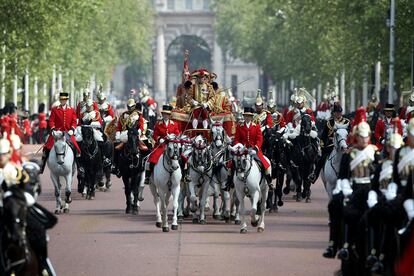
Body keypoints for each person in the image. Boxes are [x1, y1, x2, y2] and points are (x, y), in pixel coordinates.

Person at [323, 113, 380, 275]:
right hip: (353, 191)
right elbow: (343, 177)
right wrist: (346, 192)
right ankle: (336, 244)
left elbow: (378, 176)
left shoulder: (374, 154)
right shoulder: (349, 156)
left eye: (366, 136)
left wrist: (374, 193)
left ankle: (377, 253)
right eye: (361, 136)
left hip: (370, 191)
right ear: (356, 137)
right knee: (336, 205)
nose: (363, 139)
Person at [230, 106, 273, 189]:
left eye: (249, 116)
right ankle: (230, 182)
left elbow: (260, 139)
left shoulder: (256, 126)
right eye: (245, 116)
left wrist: (256, 148)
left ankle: (268, 182)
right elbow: (236, 139)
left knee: (265, 163)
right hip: (243, 151)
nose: (247, 118)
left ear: (251, 117)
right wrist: (240, 146)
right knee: (231, 164)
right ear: (244, 116)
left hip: (254, 150)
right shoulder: (240, 126)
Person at [40, 92, 81, 174]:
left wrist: (72, 129)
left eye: (64, 100)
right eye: (62, 99)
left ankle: (80, 168)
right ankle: (42, 166)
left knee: (76, 149)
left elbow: (74, 121)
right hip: (57, 132)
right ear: (60, 100)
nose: (63, 101)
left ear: (66, 100)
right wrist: (53, 129)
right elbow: (51, 120)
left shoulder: (71, 110)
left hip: (68, 132)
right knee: (46, 148)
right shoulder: (55, 109)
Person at [313, 103, 350, 183]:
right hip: (331, 145)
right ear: (333, 113)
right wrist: (322, 146)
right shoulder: (329, 122)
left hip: (344, 144)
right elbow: (323, 136)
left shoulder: (346, 122)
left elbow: (350, 134)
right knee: (322, 158)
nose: (338, 114)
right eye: (336, 112)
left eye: (340, 112)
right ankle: (314, 175)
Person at [144, 105, 180, 184]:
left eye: (167, 114)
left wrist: (172, 137)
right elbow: (155, 135)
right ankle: (147, 176)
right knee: (151, 160)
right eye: (164, 114)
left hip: (172, 145)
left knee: (181, 158)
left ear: (169, 115)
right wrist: (159, 139)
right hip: (161, 146)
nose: (165, 115)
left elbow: (177, 134)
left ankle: (184, 175)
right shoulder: (158, 124)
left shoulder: (175, 124)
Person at [112, 98, 137, 177]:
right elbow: (119, 126)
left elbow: (142, 125)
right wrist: (118, 133)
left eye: (131, 106)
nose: (130, 108)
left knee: (145, 147)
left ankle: (144, 166)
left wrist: (139, 132)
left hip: (135, 134)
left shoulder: (137, 114)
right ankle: (116, 166)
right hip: (125, 134)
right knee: (116, 147)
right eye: (129, 107)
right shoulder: (123, 115)